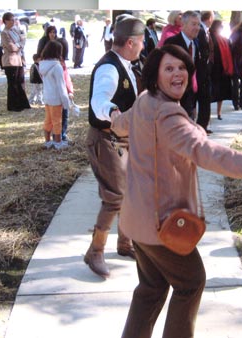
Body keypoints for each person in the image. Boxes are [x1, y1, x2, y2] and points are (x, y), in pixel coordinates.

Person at [111, 44, 242, 338]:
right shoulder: (167, 114)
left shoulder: (146, 100)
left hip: (137, 219)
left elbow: (121, 124)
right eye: (168, 68)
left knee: (151, 288)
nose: (177, 74)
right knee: (191, 283)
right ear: (155, 74)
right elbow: (203, 150)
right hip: (160, 224)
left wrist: (113, 117)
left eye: (182, 68)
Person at [84, 15, 146, 279]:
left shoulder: (129, 64)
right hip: (106, 139)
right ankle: (95, 252)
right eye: (141, 41)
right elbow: (99, 99)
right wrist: (113, 111)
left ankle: (125, 243)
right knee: (116, 196)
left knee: (132, 192)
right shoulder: (109, 68)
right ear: (131, 42)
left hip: (124, 140)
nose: (144, 46)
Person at [164, 11, 201, 120]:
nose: (197, 28)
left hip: (191, 94)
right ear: (183, 25)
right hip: (174, 94)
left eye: (198, 24)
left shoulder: (196, 44)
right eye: (193, 24)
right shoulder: (172, 42)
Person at [39, 40, 70, 150]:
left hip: (47, 97)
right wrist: (66, 102)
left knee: (48, 120)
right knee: (57, 121)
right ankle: (58, 142)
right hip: (56, 98)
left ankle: (47, 141)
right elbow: (61, 86)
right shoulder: (57, 67)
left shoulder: (42, 65)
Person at [0, 12, 30, 112]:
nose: (13, 22)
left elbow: (23, 40)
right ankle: (13, 105)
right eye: (11, 20)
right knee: (13, 84)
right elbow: (11, 47)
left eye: (14, 20)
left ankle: (23, 103)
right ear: (6, 21)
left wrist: (19, 45)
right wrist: (18, 45)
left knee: (20, 82)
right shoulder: (4, 33)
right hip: (10, 61)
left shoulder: (15, 30)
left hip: (19, 59)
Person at [209, 19, 234, 120]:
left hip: (223, 68)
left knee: (221, 93)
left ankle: (219, 112)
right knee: (211, 92)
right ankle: (209, 113)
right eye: (221, 26)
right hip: (214, 68)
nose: (222, 28)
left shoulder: (224, 39)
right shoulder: (210, 36)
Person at [195, 10, 214, 134]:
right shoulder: (201, 31)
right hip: (200, 70)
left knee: (205, 99)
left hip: (205, 70)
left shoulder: (205, 30)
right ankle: (201, 125)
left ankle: (203, 125)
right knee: (202, 98)